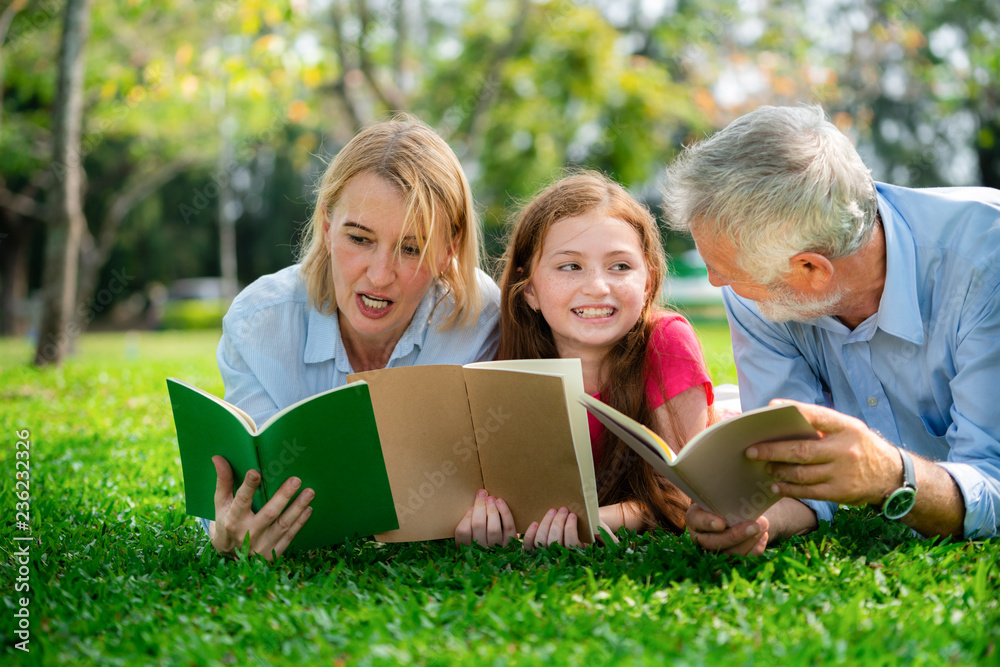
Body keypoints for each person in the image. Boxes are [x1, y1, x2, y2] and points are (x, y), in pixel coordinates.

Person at [661, 104, 1000, 555]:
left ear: (810, 269)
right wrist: (758, 517)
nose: (716, 283)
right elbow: (789, 466)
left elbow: (991, 483)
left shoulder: (986, 263)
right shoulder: (757, 293)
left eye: (725, 271)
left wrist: (892, 476)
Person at [206, 116, 501, 560]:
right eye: (359, 238)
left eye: (411, 248)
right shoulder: (258, 322)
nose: (380, 276)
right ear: (326, 226)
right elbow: (246, 487)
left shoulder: (480, 319)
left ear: (448, 250)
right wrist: (227, 530)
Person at [454, 171, 718, 550]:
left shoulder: (667, 341)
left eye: (620, 266)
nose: (597, 286)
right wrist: (485, 519)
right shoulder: (508, 360)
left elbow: (685, 495)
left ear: (647, 283)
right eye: (570, 266)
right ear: (529, 288)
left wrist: (586, 523)